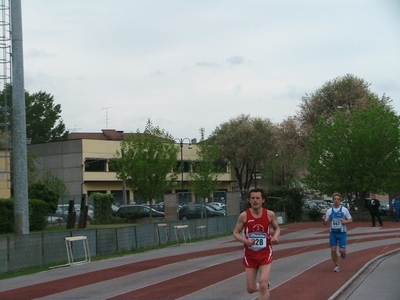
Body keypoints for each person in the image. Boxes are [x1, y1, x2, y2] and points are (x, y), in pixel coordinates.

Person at [233, 187, 280, 300]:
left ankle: (264, 286)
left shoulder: (269, 214)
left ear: (263, 200)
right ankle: (265, 287)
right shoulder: (244, 215)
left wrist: (275, 237)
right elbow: (235, 233)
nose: (255, 200)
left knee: (263, 283)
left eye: (257, 198)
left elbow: (277, 228)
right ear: (249, 200)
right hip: (250, 255)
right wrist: (245, 241)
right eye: (252, 198)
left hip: (265, 253)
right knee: (251, 288)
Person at [322, 192, 352, 272]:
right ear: (333, 200)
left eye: (338, 199)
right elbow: (325, 223)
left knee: (341, 250)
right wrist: (323, 219)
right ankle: (337, 265)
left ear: (340, 201)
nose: (336, 201)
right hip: (333, 233)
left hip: (342, 233)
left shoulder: (344, 210)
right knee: (333, 249)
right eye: (335, 199)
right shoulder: (329, 211)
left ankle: (343, 253)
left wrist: (345, 221)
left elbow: (350, 220)